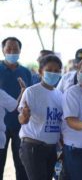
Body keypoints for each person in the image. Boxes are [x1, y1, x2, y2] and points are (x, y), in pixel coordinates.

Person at [18, 55, 63, 180]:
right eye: (49, 70)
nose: (53, 73)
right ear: (40, 72)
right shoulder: (31, 92)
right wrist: (25, 115)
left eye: (57, 70)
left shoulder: (59, 95)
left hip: (52, 149)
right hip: (34, 148)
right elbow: (22, 119)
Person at [0, 36, 32, 180]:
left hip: (21, 125)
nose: (12, 51)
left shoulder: (26, 72)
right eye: (9, 49)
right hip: (1, 125)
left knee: (22, 165)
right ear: (3, 50)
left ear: (20, 51)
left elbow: (32, 96)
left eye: (15, 49)